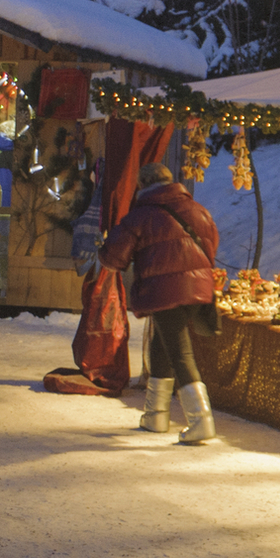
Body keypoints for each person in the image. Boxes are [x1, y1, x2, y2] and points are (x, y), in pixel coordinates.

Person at [100, 163, 220, 443]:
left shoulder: (140, 216)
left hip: (165, 290)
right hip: (199, 288)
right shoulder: (197, 209)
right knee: (161, 346)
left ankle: (201, 421)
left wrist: (103, 247)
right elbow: (211, 242)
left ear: (143, 185)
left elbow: (115, 258)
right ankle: (155, 414)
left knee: (180, 353)